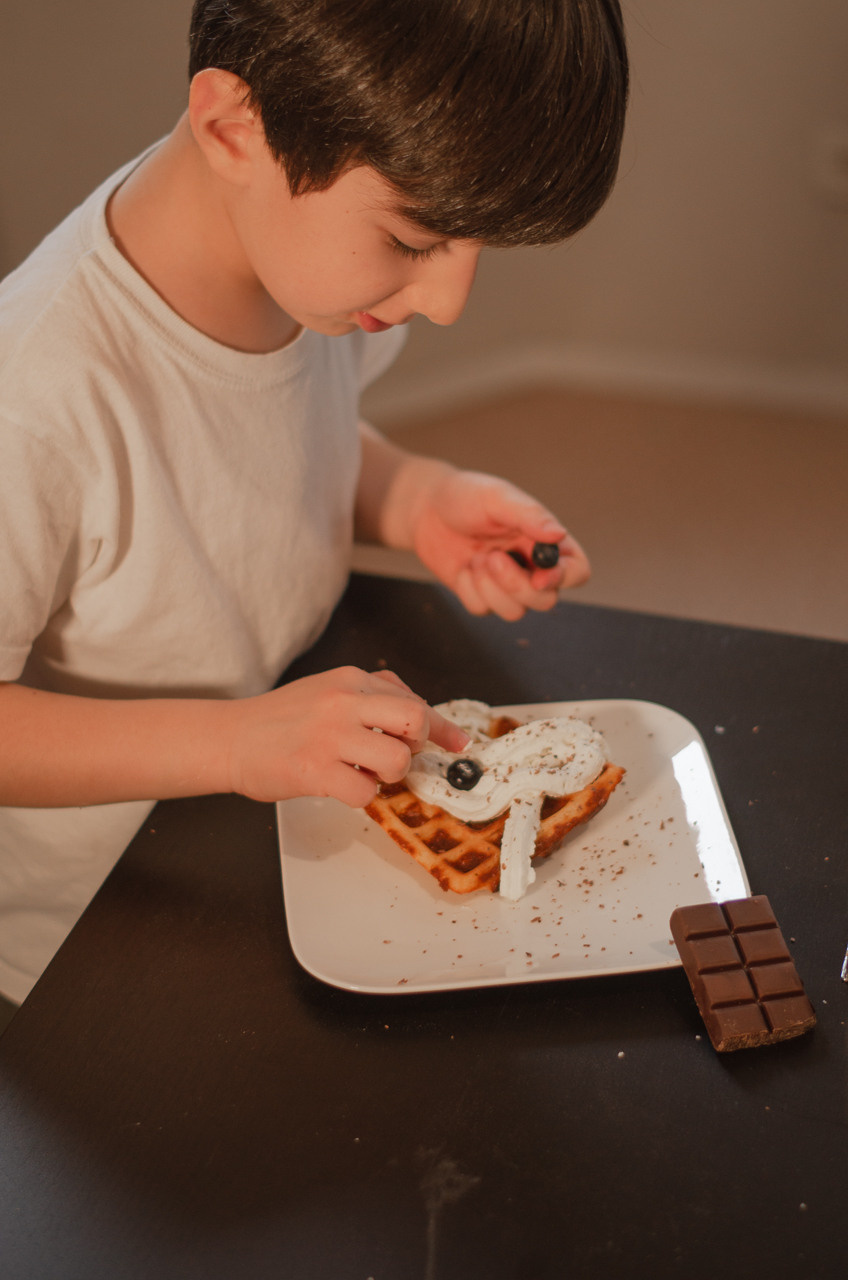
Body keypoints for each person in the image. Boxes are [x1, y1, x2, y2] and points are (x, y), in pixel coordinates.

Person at [0, 0, 629, 1006]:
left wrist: (408, 493)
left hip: (275, 815)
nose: (448, 299)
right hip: (102, 921)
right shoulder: (35, 395)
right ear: (232, 128)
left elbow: (255, 442)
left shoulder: (304, 269)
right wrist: (236, 742)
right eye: (414, 239)